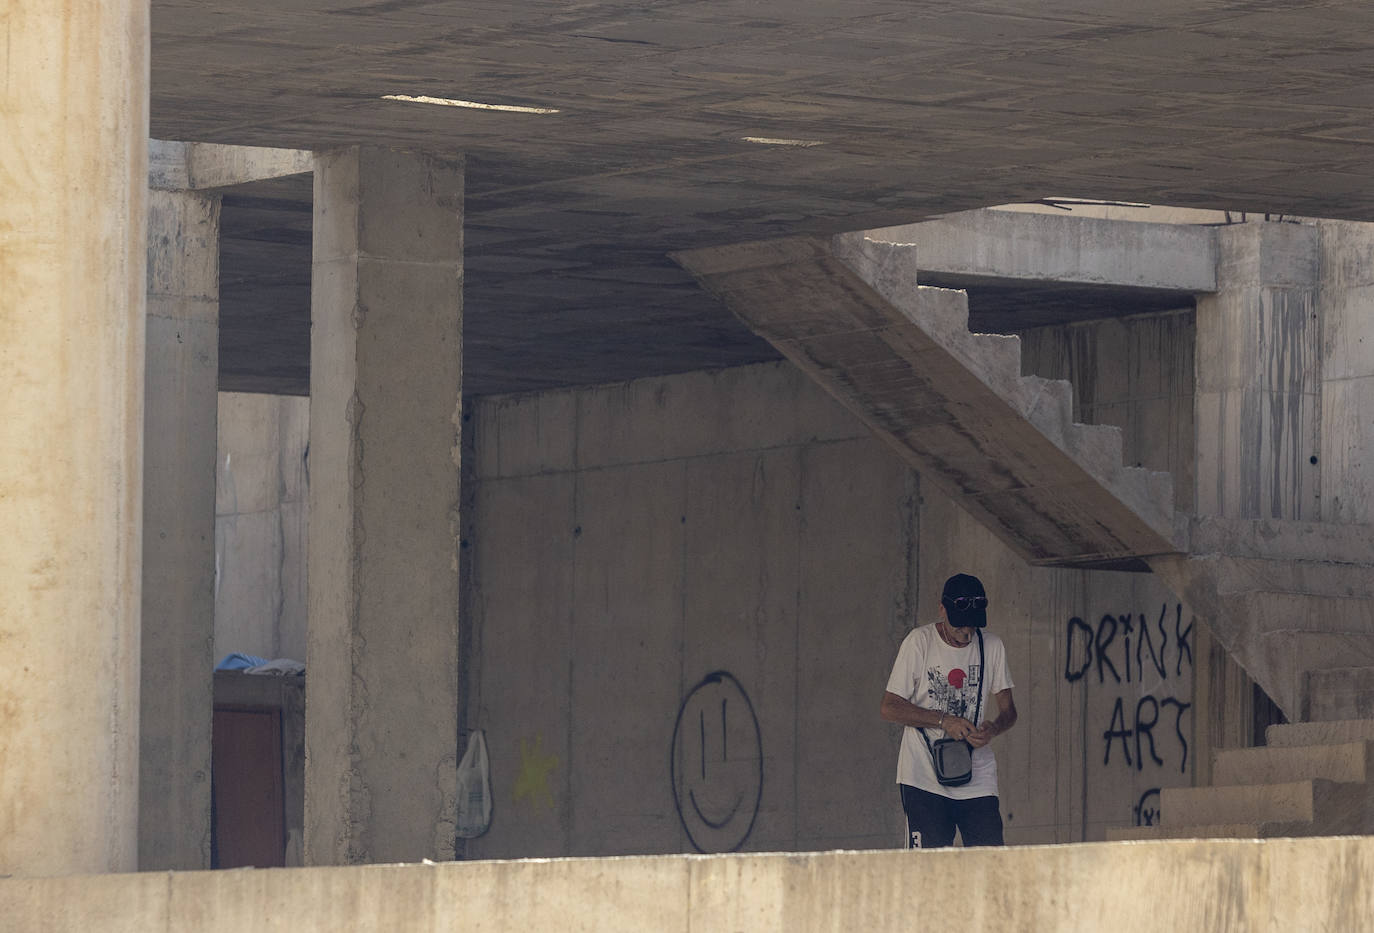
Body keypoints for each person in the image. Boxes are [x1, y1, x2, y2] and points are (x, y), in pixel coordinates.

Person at [880, 572, 1017, 848]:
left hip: (977, 774)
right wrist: (943, 721)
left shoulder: (992, 646)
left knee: (991, 864)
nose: (966, 634)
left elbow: (1009, 711)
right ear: (942, 609)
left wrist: (994, 728)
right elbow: (889, 707)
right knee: (925, 871)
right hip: (923, 775)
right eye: (959, 627)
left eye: (972, 627)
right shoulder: (919, 642)